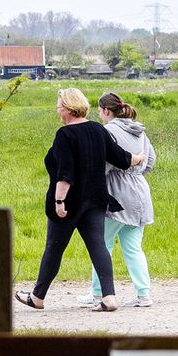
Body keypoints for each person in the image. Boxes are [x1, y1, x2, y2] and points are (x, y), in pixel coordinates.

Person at [16, 88, 145, 313]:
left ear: (68, 108)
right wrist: (139, 157)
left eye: (58, 105)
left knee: (54, 248)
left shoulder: (65, 135)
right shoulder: (97, 129)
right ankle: (109, 297)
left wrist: (59, 202)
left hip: (70, 202)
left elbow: (65, 174)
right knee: (98, 246)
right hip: (95, 200)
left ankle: (37, 297)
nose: (57, 110)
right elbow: (121, 157)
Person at [76, 92, 156, 308]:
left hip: (117, 193)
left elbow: (105, 163)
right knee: (133, 248)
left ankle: (98, 293)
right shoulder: (139, 130)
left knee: (101, 244)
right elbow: (150, 161)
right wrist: (135, 173)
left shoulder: (108, 131)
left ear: (106, 111)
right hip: (140, 191)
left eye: (99, 111)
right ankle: (143, 295)